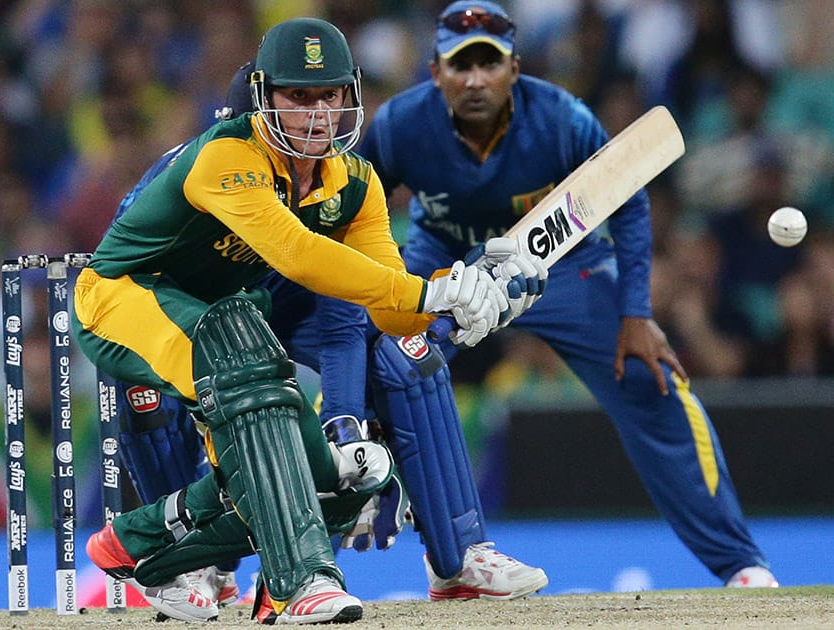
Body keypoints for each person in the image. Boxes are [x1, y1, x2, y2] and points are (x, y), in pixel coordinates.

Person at [73, 16, 533, 625]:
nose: (317, 114)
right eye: (297, 97)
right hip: (124, 297)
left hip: (228, 311)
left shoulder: (356, 185)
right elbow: (301, 256)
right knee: (248, 374)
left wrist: (470, 294)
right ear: (262, 97)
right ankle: (299, 584)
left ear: (350, 95)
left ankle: (136, 540)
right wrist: (434, 292)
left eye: (329, 95)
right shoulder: (227, 156)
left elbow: (390, 312)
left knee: (344, 470)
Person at [357, 0, 779, 589]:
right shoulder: (400, 124)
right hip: (446, 264)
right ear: (435, 72)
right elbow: (348, 204)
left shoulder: (561, 117)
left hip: (556, 263)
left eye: (489, 64)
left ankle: (742, 567)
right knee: (388, 374)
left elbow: (627, 198)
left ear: (515, 68)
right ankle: (443, 557)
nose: (475, 80)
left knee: (653, 382)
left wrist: (635, 313)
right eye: (461, 66)